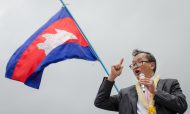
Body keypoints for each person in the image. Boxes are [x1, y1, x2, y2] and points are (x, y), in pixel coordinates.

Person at [94, 49, 188, 114]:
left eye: (139, 62)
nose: (135, 66)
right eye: (133, 64)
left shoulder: (170, 84)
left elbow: (182, 106)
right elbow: (100, 102)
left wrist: (155, 92)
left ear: (152, 65)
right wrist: (112, 77)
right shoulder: (125, 93)